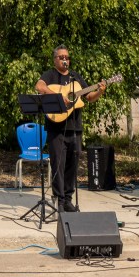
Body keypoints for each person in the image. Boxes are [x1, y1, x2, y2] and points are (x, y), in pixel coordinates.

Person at [36, 45, 106, 212]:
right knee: (58, 164)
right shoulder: (50, 75)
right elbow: (39, 86)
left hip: (75, 128)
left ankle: (68, 198)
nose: (64, 59)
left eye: (66, 57)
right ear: (55, 60)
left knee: (72, 165)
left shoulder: (76, 77)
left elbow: (89, 97)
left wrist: (100, 91)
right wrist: (57, 96)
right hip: (56, 128)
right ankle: (58, 200)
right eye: (61, 57)